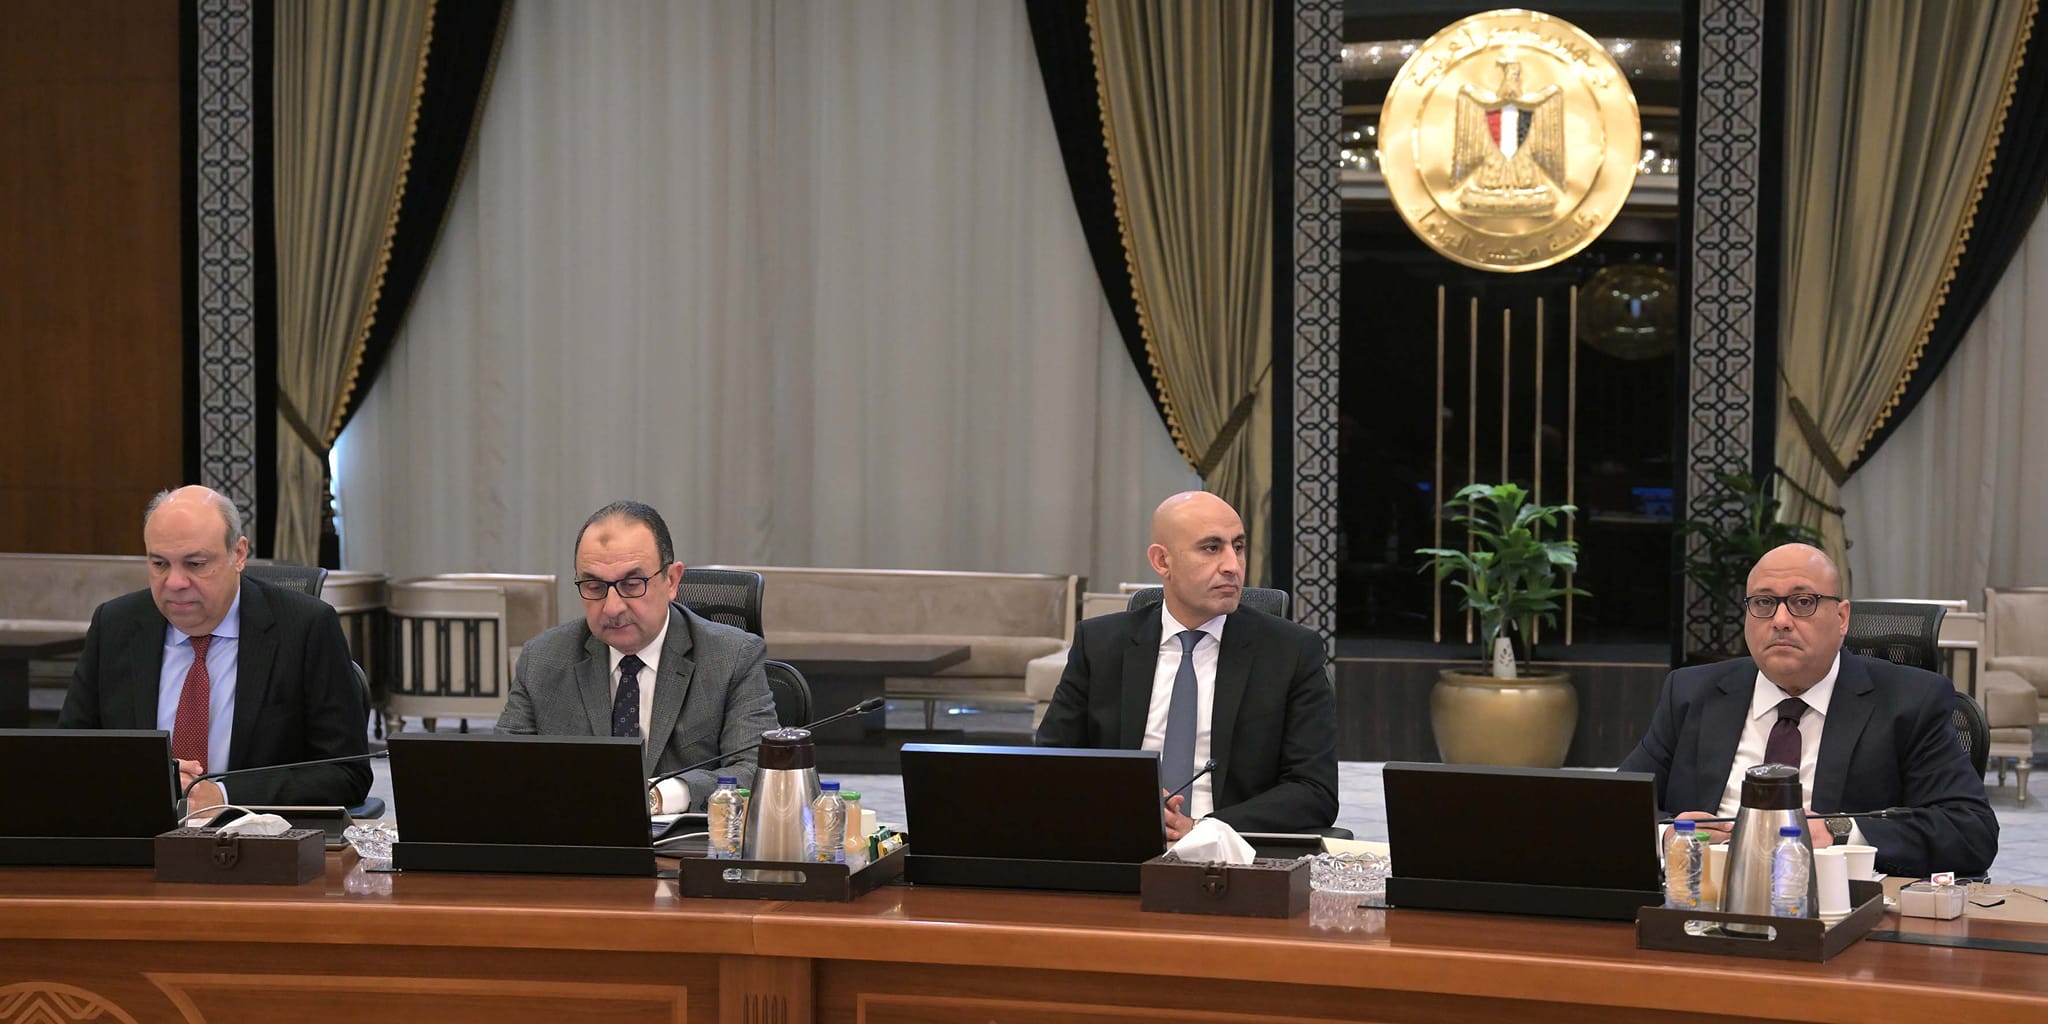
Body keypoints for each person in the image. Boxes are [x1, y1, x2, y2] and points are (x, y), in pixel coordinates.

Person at [1619, 543, 1997, 877]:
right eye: (1764, 603)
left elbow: (1970, 831)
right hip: (1701, 897)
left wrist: (1839, 832)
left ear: (1842, 618)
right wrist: (1669, 836)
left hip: (1837, 906)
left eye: (1803, 602)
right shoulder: (1690, 693)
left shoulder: (1911, 701)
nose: (1781, 621)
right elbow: (1614, 808)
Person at [1036, 491, 1339, 839]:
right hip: (1118, 836)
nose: (1232, 565)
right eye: (1211, 548)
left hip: (1231, 846)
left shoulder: (1291, 651)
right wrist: (1123, 803)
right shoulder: (1100, 644)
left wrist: (1202, 827)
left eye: (1238, 547)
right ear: (1162, 561)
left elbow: (1314, 791)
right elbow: (1049, 763)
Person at [60, 486, 370, 810]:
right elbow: (68, 755)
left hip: (256, 833)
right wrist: (143, 778)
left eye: (195, 564)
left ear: (238, 554)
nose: (175, 582)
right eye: (160, 564)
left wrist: (223, 795)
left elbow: (347, 773)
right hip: (135, 828)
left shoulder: (306, 629)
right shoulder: (115, 625)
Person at [497, 500, 778, 813]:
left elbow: (757, 772)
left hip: (685, 842)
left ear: (672, 581)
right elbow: (501, 770)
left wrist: (660, 795)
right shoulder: (543, 658)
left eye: (632, 585)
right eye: (594, 586)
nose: (612, 607)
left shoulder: (732, 657)